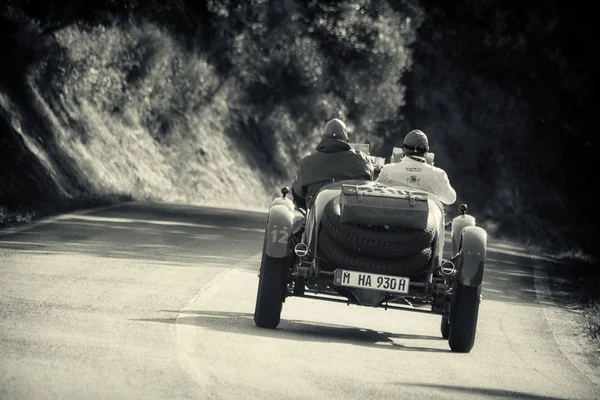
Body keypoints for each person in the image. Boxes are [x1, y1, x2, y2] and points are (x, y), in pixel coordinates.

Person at [291, 118, 373, 210]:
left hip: (318, 219)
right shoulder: (362, 159)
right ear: (346, 139)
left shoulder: (307, 162)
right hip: (355, 217)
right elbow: (370, 184)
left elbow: (297, 194)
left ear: (323, 138)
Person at [376, 129, 457, 205]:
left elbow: (375, 191)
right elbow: (450, 199)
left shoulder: (388, 170)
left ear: (403, 150)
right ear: (426, 152)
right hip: (427, 219)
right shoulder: (438, 174)